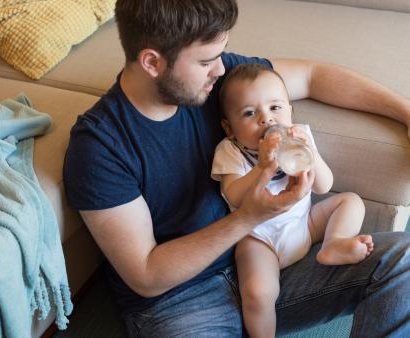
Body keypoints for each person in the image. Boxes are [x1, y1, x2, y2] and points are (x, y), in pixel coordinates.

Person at [63, 0, 410, 336]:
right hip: (182, 301)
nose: (219, 69)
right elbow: (147, 275)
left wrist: (405, 112)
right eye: (206, 61)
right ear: (152, 62)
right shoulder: (99, 146)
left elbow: (313, 75)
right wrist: (248, 216)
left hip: (277, 261)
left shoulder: (219, 82)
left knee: (404, 260)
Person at [212, 63, 374, 338]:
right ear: (229, 127)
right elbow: (233, 195)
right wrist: (262, 168)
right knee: (257, 293)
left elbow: (325, 185)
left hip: (304, 223)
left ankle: (333, 244)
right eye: (250, 113)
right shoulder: (231, 151)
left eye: (275, 108)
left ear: (290, 112)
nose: (267, 120)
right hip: (259, 238)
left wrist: (310, 153)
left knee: (351, 201)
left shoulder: (300, 137)